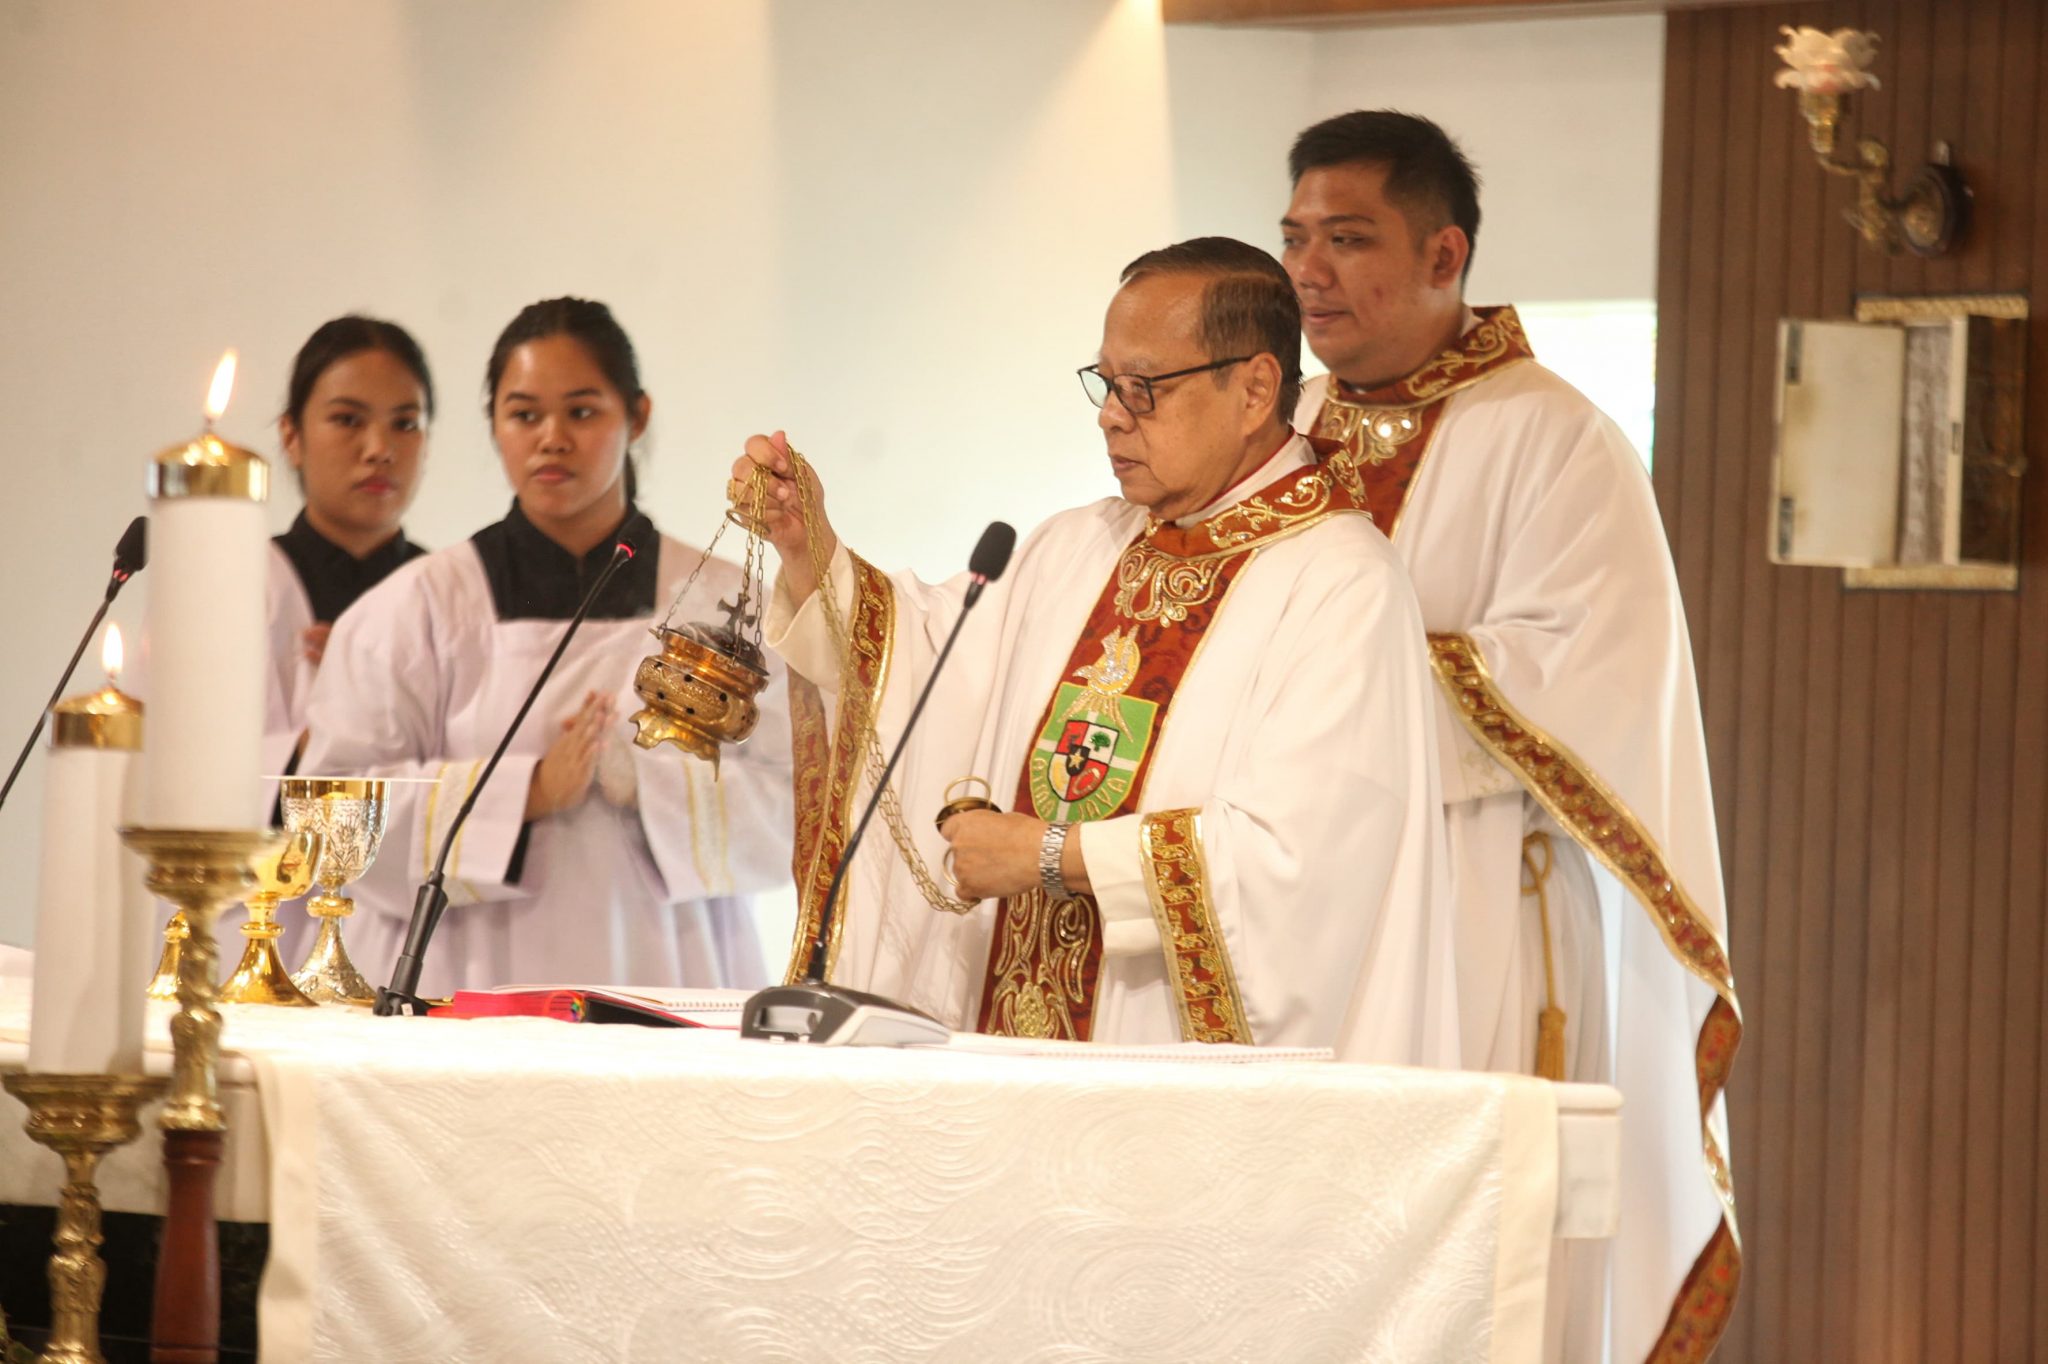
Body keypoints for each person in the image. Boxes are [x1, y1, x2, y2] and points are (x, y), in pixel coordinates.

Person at [739, 238, 1457, 1065]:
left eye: (1145, 388)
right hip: (1008, 1058)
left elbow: (1300, 865)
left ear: (1256, 388)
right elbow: (929, 669)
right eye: (1106, 384)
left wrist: (1048, 855)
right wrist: (809, 549)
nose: (1112, 414)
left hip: (1169, 1081)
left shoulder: (1341, 583)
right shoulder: (1077, 545)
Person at [1281, 110, 1741, 1361]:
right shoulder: (1281, 438)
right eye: (1295, 238)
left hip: (1479, 896)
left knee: (1459, 1268)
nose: (1307, 270)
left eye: (1346, 237)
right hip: (1286, 902)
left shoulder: (1554, 435)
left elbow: (1576, 675)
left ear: (1443, 254)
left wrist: (1313, 679)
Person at [303, 297, 791, 997]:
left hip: (674, 975)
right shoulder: (413, 611)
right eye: (524, 414)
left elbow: (799, 806)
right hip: (469, 981)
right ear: (494, 425)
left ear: (637, 416)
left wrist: (646, 782)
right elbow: (337, 814)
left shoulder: (725, 605)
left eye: (582, 411)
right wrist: (524, 791)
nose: (551, 438)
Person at [266, 316, 433, 780]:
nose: (379, 449)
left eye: (405, 423)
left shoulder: (452, 594)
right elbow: (179, 763)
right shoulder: (236, 586)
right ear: (291, 437)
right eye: (347, 420)